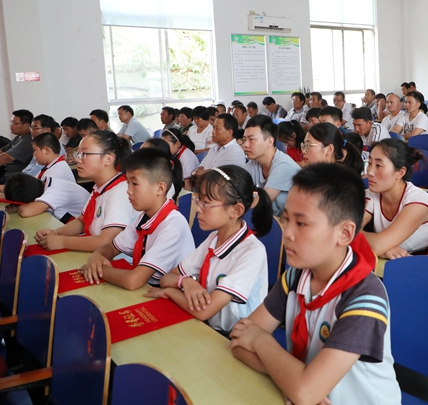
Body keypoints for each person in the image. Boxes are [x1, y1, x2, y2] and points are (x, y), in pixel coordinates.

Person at [228, 163, 401, 405]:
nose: (287, 232)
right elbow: (238, 342)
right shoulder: (295, 277)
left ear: (344, 233)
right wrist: (294, 380)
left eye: (301, 223)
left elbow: (304, 391)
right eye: (286, 219)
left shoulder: (365, 297)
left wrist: (261, 341)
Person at [146, 166, 273, 334]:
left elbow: (204, 310)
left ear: (236, 210)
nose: (198, 208)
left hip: (234, 337)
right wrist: (186, 281)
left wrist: (170, 291)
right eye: (198, 200)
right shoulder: (214, 239)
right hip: (205, 327)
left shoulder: (252, 251)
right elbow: (168, 277)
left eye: (206, 203)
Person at [80, 148, 193, 290]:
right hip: (149, 290)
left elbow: (133, 281)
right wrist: (96, 256)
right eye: (127, 183)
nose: (128, 190)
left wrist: (99, 270)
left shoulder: (173, 225)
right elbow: (111, 247)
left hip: (172, 299)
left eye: (135, 184)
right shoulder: (144, 218)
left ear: (160, 188)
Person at [34, 130, 135, 252]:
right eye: (78, 154)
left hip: (116, 261)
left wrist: (62, 241)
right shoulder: (99, 187)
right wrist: (56, 233)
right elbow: (82, 222)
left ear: (108, 159)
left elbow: (106, 242)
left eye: (85, 154)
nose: (78, 160)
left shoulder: (119, 191)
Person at [362, 139, 428, 258]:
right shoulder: (372, 193)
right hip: (392, 260)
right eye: (369, 163)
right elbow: (342, 231)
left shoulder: (418, 202)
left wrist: (379, 246)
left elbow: (376, 245)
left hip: (426, 262)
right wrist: (384, 250)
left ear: (400, 173)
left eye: (378, 165)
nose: (369, 172)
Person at [243, 115, 300, 216]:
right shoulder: (254, 163)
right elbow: (236, 187)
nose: (245, 145)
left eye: (251, 139)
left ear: (270, 141)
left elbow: (262, 202)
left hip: (286, 224)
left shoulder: (283, 165)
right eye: (244, 140)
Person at [3, 171, 89, 223]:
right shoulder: (40, 184)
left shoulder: (55, 191)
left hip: (86, 232)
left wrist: (18, 207)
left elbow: (26, 211)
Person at [0, 109, 34, 184]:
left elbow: (5, 158)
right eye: (11, 122)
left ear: (27, 125)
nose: (11, 125)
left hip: (15, 179)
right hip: (7, 174)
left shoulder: (27, 140)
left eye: (15, 123)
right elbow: (2, 150)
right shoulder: (19, 137)